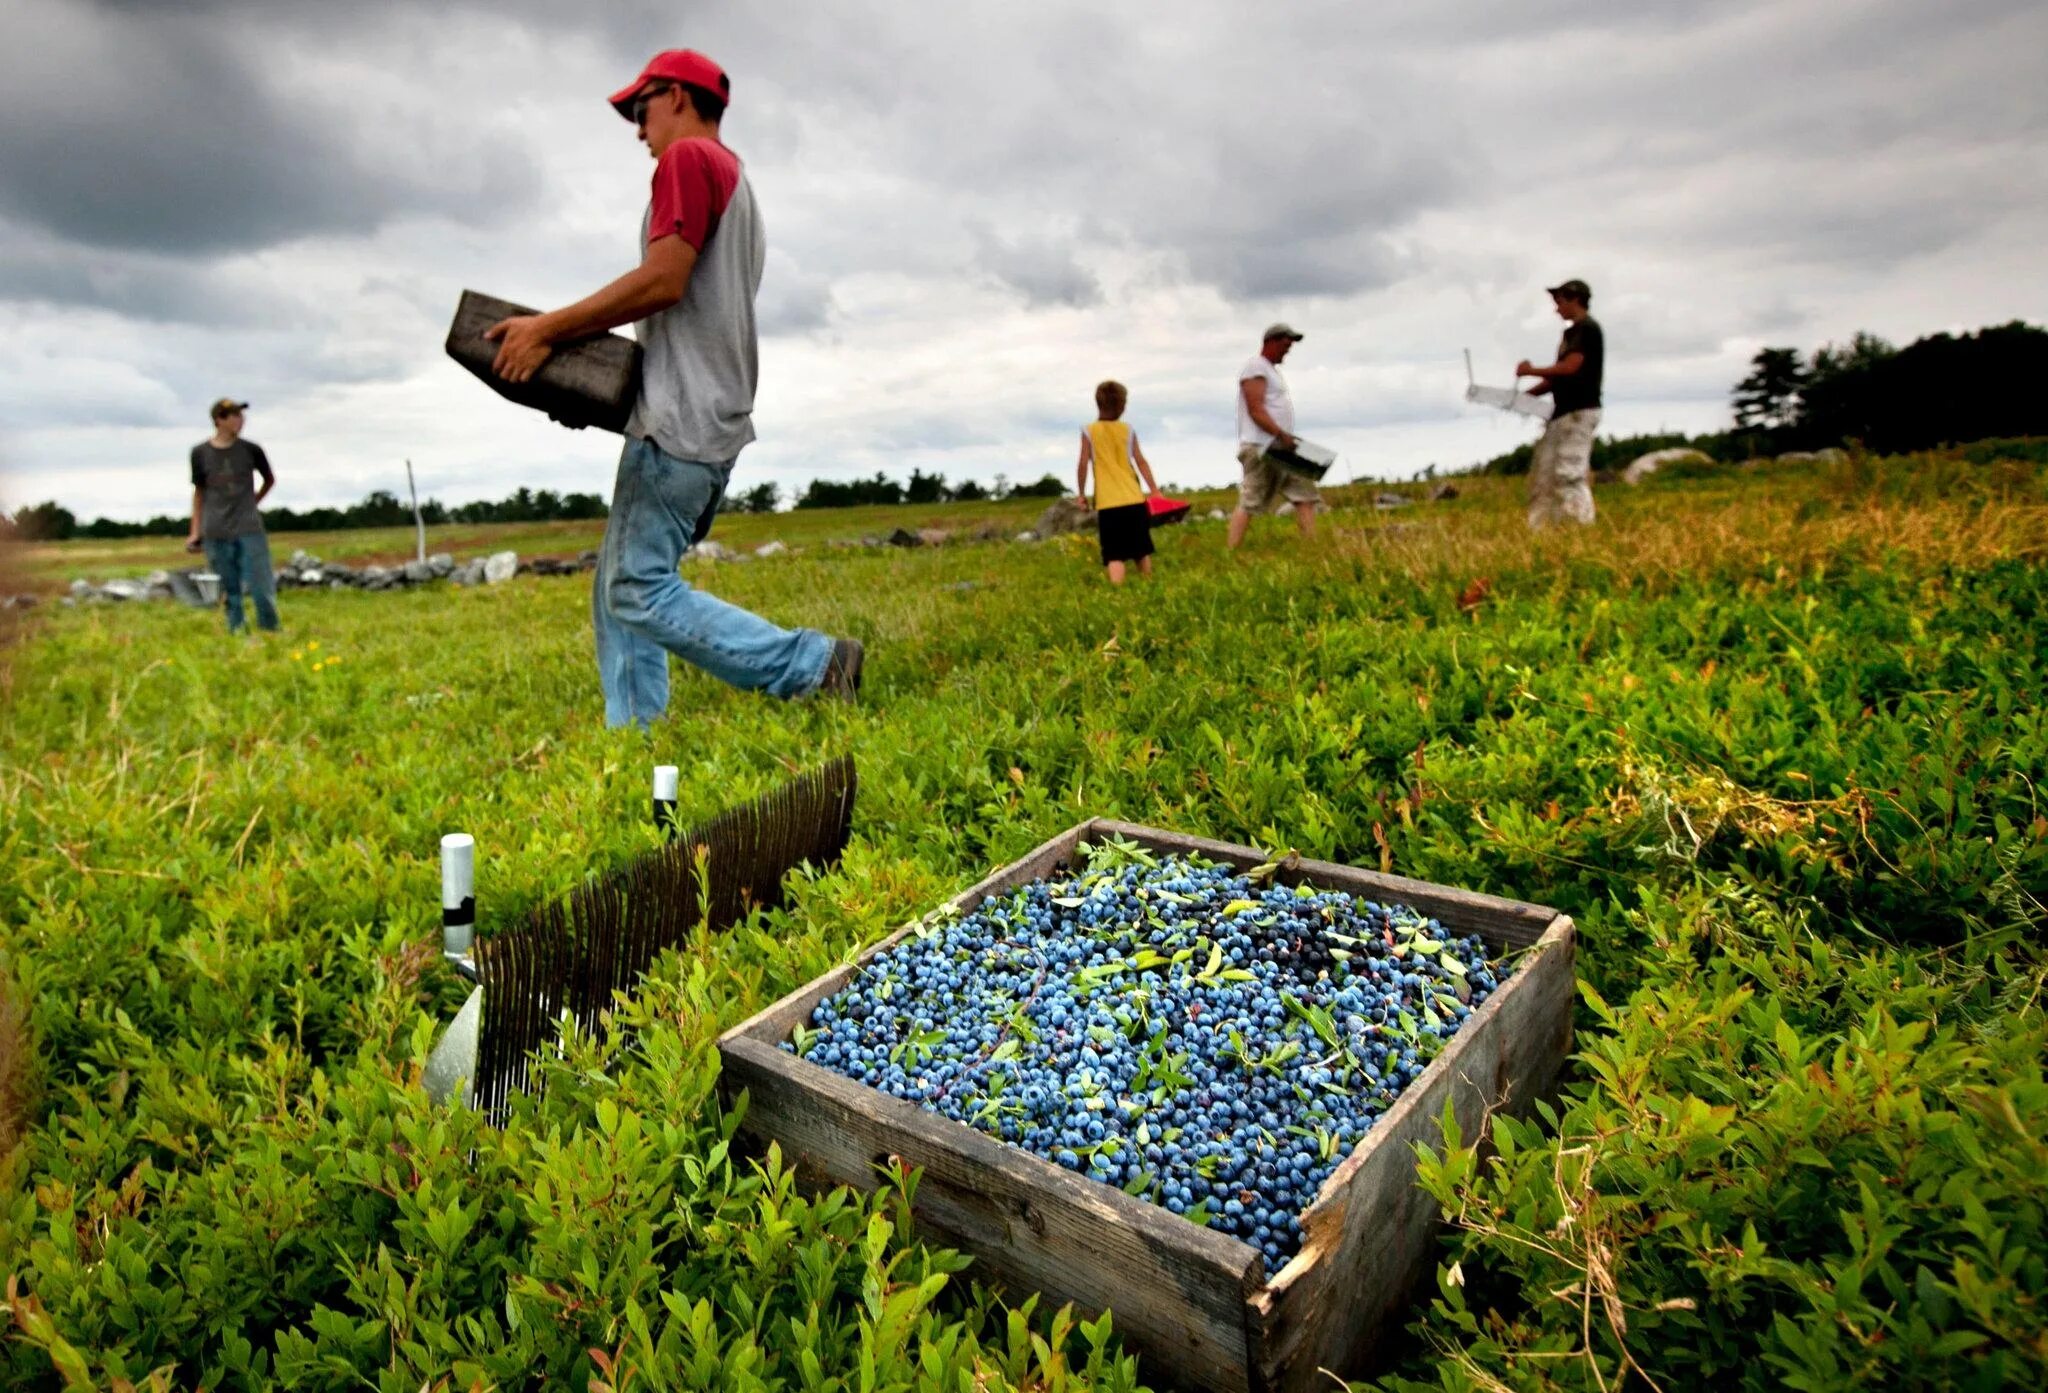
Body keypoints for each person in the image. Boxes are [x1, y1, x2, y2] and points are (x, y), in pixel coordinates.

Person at [483, 48, 861, 727]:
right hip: (702, 413)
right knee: (619, 585)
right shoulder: (737, 182)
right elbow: (686, 317)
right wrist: (589, 387)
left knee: (636, 587)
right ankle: (635, 728)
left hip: (681, 422)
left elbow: (664, 281)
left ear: (679, 96)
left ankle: (811, 666)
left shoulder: (687, 162)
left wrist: (548, 330)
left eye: (641, 106)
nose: (636, 126)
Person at [1515, 278, 1605, 528]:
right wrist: (1524, 397)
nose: (1557, 308)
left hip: (1579, 411)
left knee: (1569, 473)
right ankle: (1544, 529)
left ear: (1575, 299)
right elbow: (1558, 379)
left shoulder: (1586, 329)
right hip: (1562, 413)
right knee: (1545, 474)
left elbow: (1570, 368)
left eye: (1560, 302)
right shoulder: (1571, 333)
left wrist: (1531, 370)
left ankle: (1581, 525)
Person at [186, 398, 280, 633]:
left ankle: (269, 629)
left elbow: (269, 480)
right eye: (234, 415)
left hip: (248, 527)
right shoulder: (200, 453)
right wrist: (195, 531)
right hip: (215, 529)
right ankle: (236, 630)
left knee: (261, 583)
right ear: (219, 420)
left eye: (241, 415)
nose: (240, 420)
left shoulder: (251, 449)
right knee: (229, 587)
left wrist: (253, 502)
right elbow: (199, 493)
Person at [1228, 324, 1318, 549]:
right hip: (1262, 445)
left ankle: (1311, 545)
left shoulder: (1270, 370)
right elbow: (1255, 409)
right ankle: (1232, 549)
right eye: (1285, 345)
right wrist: (1279, 434)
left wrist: (1285, 438)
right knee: (1251, 499)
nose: (1287, 350)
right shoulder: (1255, 367)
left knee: (1304, 492)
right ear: (1271, 342)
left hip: (1282, 445)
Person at [1075, 380, 1163, 585]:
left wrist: (1081, 494)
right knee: (1141, 549)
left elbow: (1082, 464)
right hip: (1134, 498)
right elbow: (1140, 461)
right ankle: (1148, 584)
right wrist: (1154, 489)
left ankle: (1117, 591)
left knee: (1114, 554)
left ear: (1098, 403)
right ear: (1123, 405)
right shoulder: (1128, 430)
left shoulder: (1089, 431)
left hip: (1108, 503)